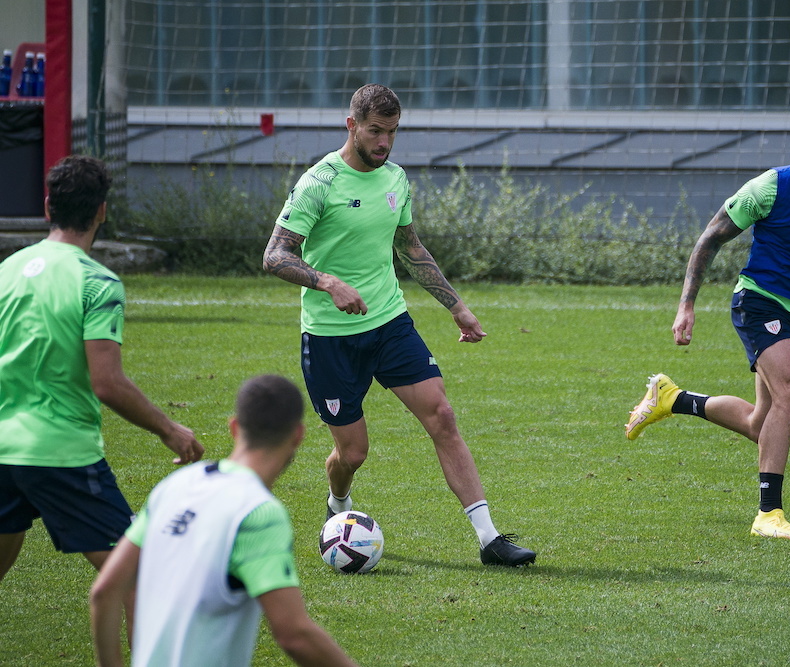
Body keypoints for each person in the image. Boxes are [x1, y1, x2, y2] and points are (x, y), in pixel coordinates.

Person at [262, 83, 534, 567]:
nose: (384, 141)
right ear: (352, 126)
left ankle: (490, 538)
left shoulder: (394, 179)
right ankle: (339, 507)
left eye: (391, 132)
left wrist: (456, 306)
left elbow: (410, 249)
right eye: (375, 131)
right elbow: (275, 254)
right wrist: (327, 282)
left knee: (442, 416)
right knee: (353, 454)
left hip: (390, 324)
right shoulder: (318, 183)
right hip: (329, 338)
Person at [625, 117, 790, 540]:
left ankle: (672, 399)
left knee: (759, 423)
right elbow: (710, 237)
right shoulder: (771, 187)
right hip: (758, 300)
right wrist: (686, 306)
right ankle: (769, 514)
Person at [0, 155, 204, 584]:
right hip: (60, 452)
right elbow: (107, 382)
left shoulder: (8, 272)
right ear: (102, 211)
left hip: (3, 447)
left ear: (47, 208)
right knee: (138, 575)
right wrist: (170, 429)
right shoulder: (97, 282)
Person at [90, 375, 359, 667]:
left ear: (234, 428)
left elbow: (104, 591)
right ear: (297, 435)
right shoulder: (257, 512)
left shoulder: (175, 486)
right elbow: (293, 634)